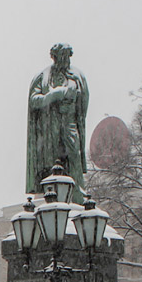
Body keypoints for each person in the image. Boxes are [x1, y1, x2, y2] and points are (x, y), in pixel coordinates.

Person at [27, 43, 89, 204]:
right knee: (50, 157)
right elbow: (34, 101)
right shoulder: (43, 76)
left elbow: (83, 104)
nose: (64, 61)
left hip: (69, 121)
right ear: (54, 57)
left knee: (73, 154)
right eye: (61, 57)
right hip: (49, 124)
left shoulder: (77, 76)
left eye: (67, 57)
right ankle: (49, 192)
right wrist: (54, 95)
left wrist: (72, 100)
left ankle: (77, 193)